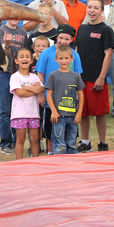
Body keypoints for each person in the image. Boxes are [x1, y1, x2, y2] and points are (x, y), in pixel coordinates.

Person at [36, 24, 83, 154]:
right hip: (51, 100)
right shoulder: (46, 53)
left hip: (69, 102)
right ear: (57, 37)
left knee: (71, 129)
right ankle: (52, 153)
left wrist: (78, 98)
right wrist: (41, 94)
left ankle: (70, 153)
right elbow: (40, 75)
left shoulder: (74, 55)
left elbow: (78, 75)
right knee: (52, 130)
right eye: (61, 38)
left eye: (67, 39)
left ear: (71, 40)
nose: (63, 41)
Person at [76, 0, 114, 152]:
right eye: (90, 7)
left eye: (96, 8)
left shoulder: (106, 30)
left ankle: (102, 142)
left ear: (102, 11)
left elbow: (108, 54)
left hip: (97, 78)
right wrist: (75, 74)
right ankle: (85, 141)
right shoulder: (82, 29)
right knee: (83, 112)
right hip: (81, 78)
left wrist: (101, 77)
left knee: (99, 113)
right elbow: (76, 52)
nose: (92, 10)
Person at [0, 18, 31, 154]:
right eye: (12, 15)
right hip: (5, 73)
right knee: (5, 110)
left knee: (19, 110)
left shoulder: (23, 33)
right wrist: (7, 45)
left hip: (19, 74)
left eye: (17, 16)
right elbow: (1, 55)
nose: (14, 18)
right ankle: (6, 142)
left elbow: (26, 54)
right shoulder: (1, 31)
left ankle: (18, 141)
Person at [45, 44, 85, 154]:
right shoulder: (53, 75)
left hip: (73, 116)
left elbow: (80, 94)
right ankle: (60, 168)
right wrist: (53, 111)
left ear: (71, 59)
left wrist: (79, 113)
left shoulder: (76, 76)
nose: (64, 61)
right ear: (56, 59)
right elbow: (48, 94)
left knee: (71, 144)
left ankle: (72, 168)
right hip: (59, 117)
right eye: (61, 58)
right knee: (59, 145)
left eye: (66, 58)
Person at [9, 48, 44, 159]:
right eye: (22, 56)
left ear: (31, 60)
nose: (25, 59)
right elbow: (19, 93)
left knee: (34, 139)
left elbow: (41, 90)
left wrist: (27, 87)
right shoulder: (15, 77)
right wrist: (33, 90)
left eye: (27, 56)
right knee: (20, 139)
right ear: (16, 61)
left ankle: (36, 160)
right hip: (19, 114)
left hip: (34, 114)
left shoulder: (34, 77)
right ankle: (19, 162)